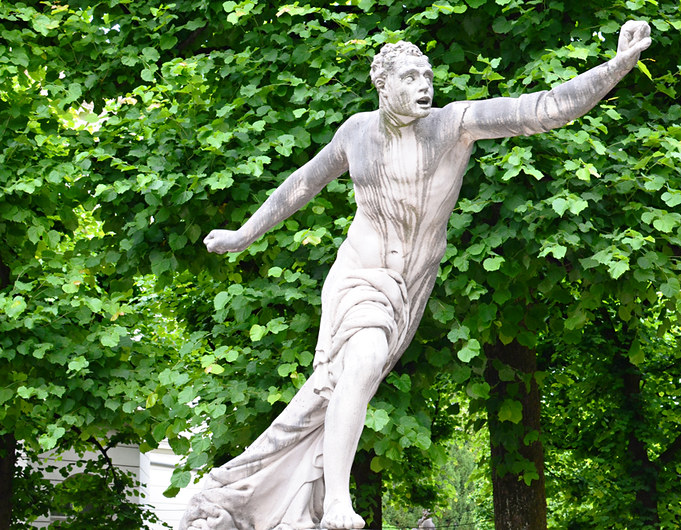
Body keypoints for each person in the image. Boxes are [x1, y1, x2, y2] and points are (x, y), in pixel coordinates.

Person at [181, 21, 651, 530]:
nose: (424, 83)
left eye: (427, 74)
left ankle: (257, 490)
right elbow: (300, 185)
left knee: (334, 393)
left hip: (408, 289)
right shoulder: (356, 133)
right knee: (361, 361)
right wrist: (242, 235)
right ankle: (337, 500)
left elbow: (545, 108)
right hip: (358, 276)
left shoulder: (454, 124)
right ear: (382, 84)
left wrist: (616, 66)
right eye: (409, 76)